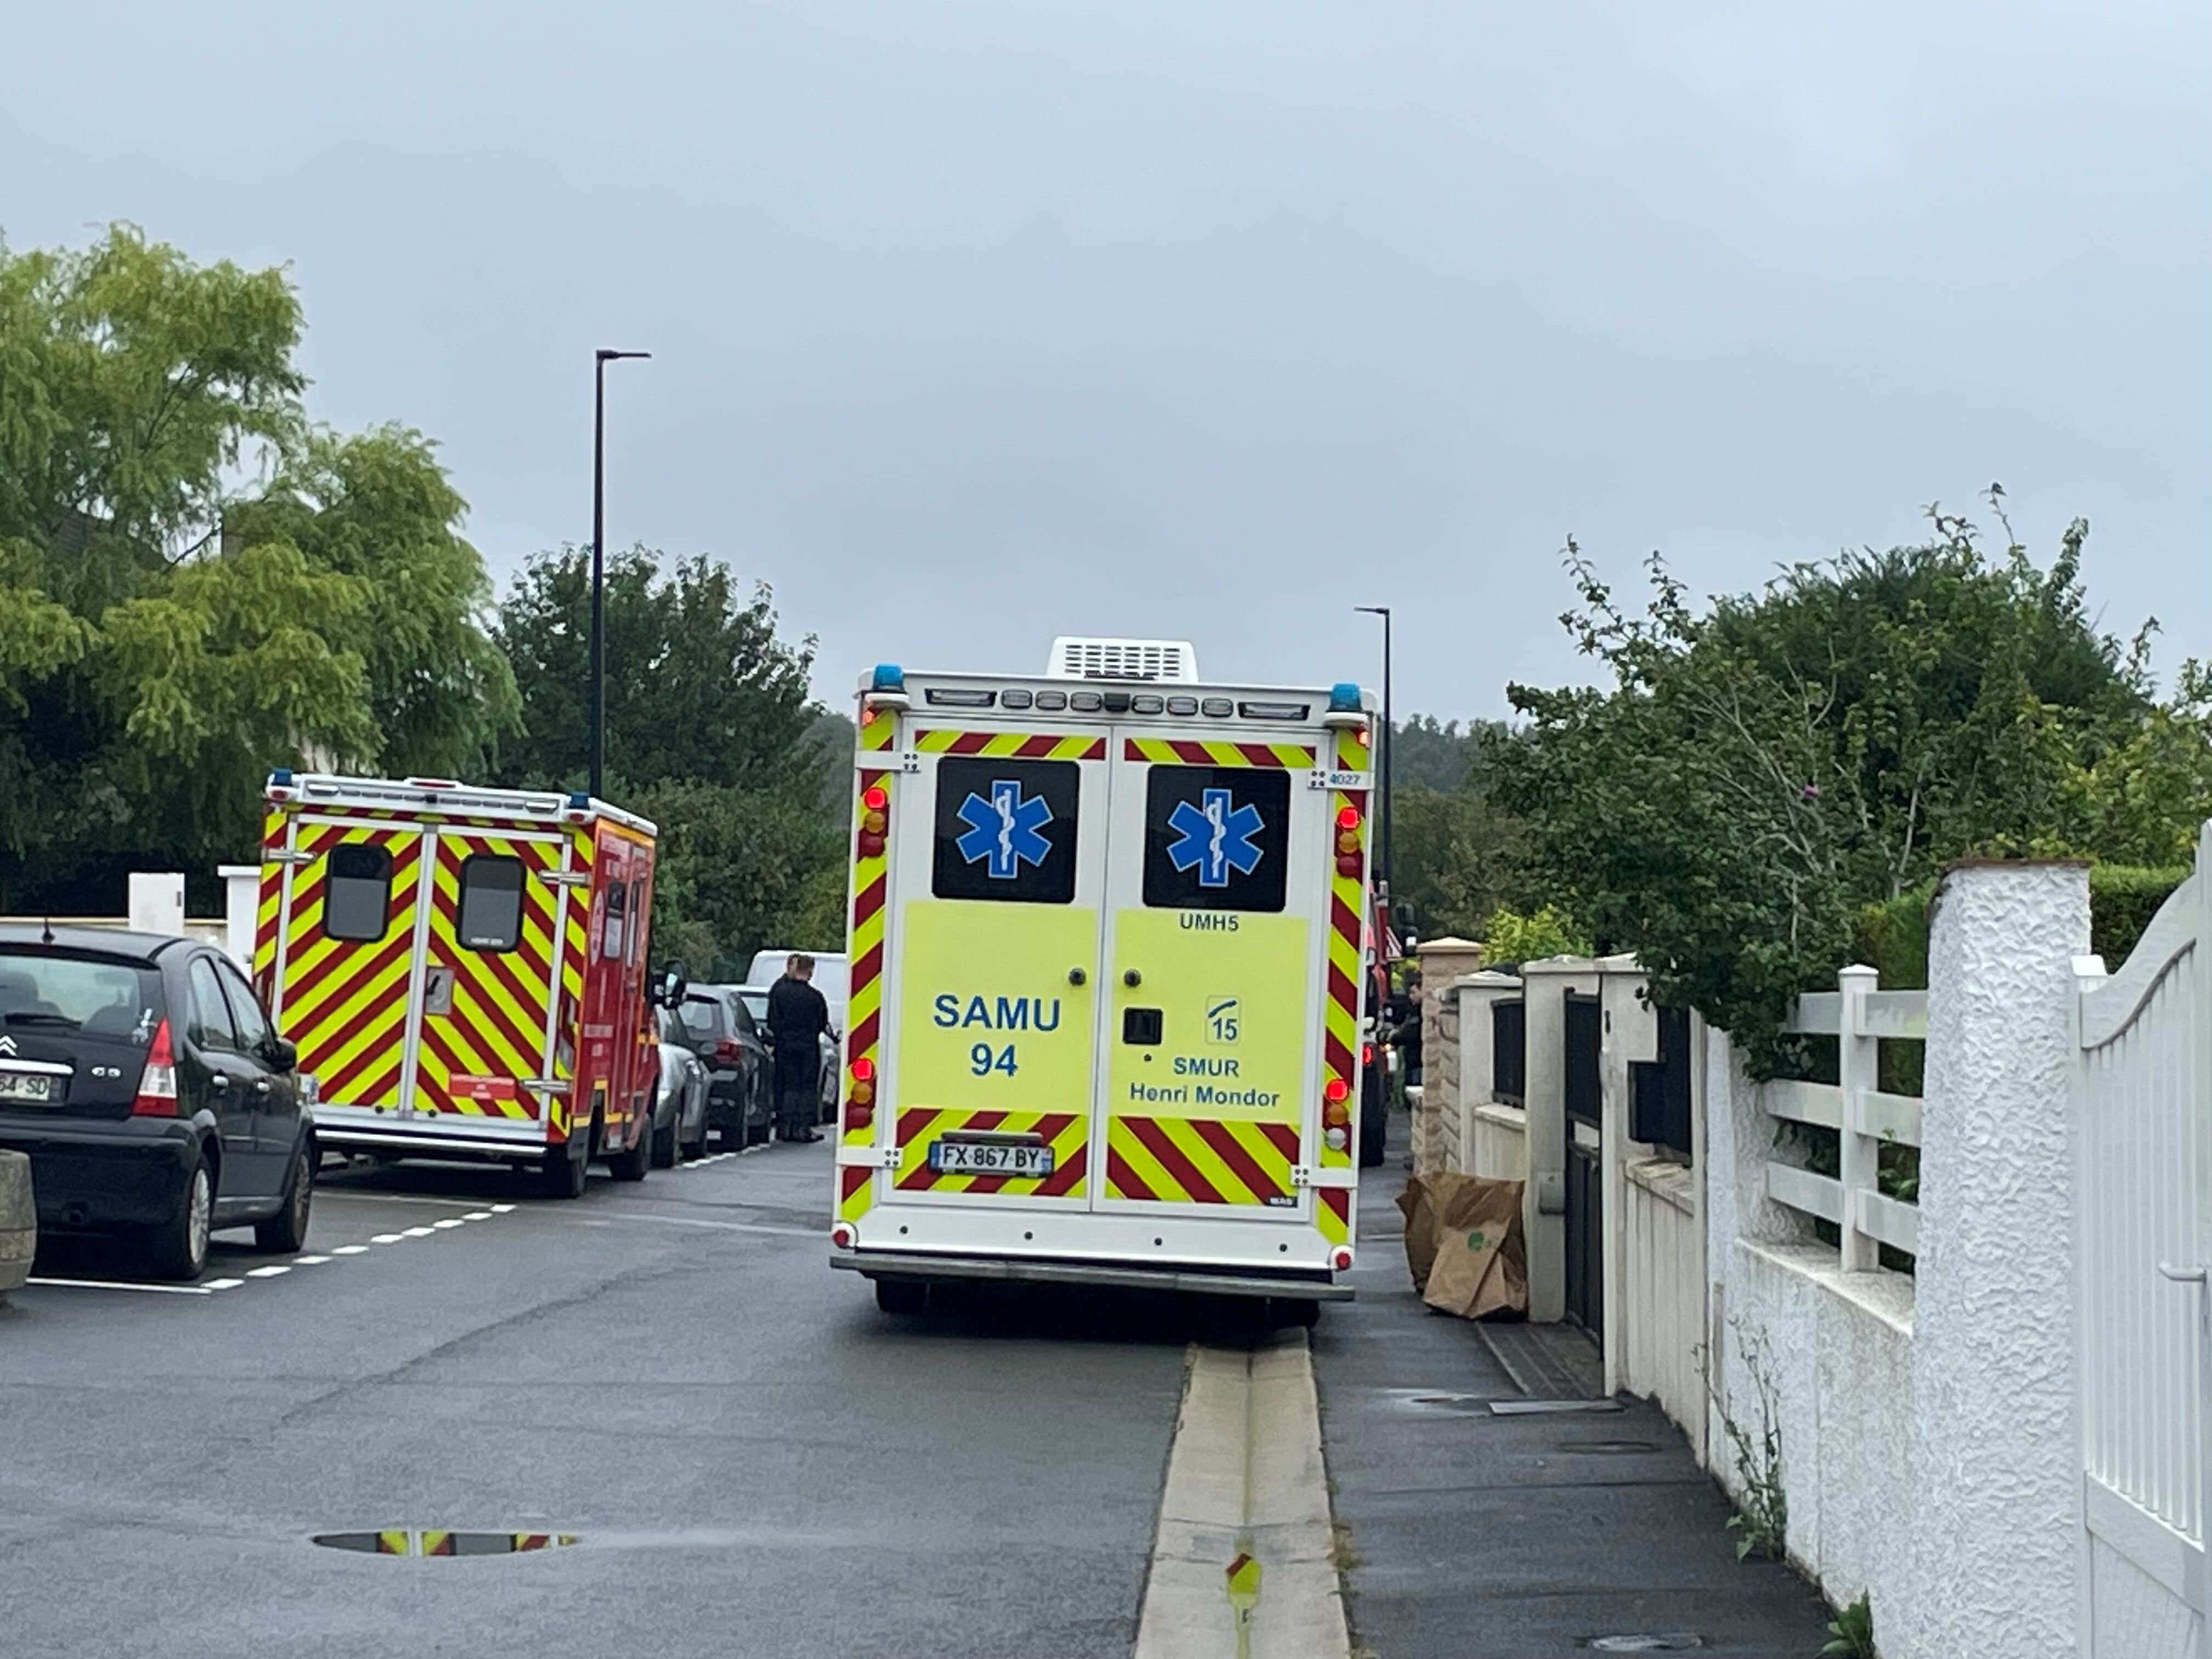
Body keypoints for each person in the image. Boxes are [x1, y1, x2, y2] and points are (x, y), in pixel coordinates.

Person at [765, 953, 830, 1144]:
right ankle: (802, 1128)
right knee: (806, 1088)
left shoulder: (780, 993)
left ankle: (785, 1127)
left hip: (785, 1046)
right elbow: (821, 1023)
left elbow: (773, 1021)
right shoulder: (815, 998)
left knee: (787, 1086)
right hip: (808, 1047)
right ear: (809, 971)